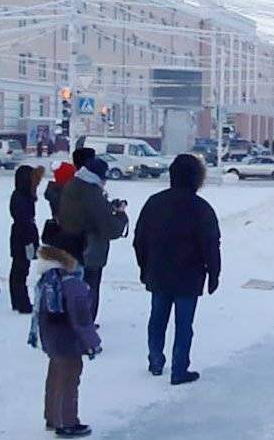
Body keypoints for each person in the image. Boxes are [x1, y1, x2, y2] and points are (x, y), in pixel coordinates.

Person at [134, 155, 221, 386]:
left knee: (157, 319)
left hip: (158, 272)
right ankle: (179, 369)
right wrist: (214, 273)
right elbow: (211, 244)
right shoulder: (201, 209)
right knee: (184, 325)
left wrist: (144, 267)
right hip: (189, 276)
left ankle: (155, 360)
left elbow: (139, 239)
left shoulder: (154, 203)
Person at [29, 245, 101, 438]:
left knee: (55, 377)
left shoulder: (46, 281)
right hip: (68, 340)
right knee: (69, 379)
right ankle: (67, 421)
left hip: (51, 339)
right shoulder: (71, 283)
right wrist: (93, 342)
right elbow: (82, 318)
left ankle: (52, 417)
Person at [58, 157, 129, 323]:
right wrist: (120, 214)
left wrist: (106, 206)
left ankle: (70, 321)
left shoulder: (73, 185)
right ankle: (85, 326)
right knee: (89, 289)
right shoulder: (92, 193)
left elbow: (85, 212)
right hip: (90, 251)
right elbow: (110, 228)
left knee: (72, 288)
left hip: (69, 246)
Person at [9, 165, 44, 313]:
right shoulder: (20, 196)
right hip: (23, 236)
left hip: (24, 234)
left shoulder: (23, 194)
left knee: (21, 268)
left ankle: (19, 301)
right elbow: (23, 219)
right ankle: (21, 302)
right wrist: (30, 241)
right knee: (20, 269)